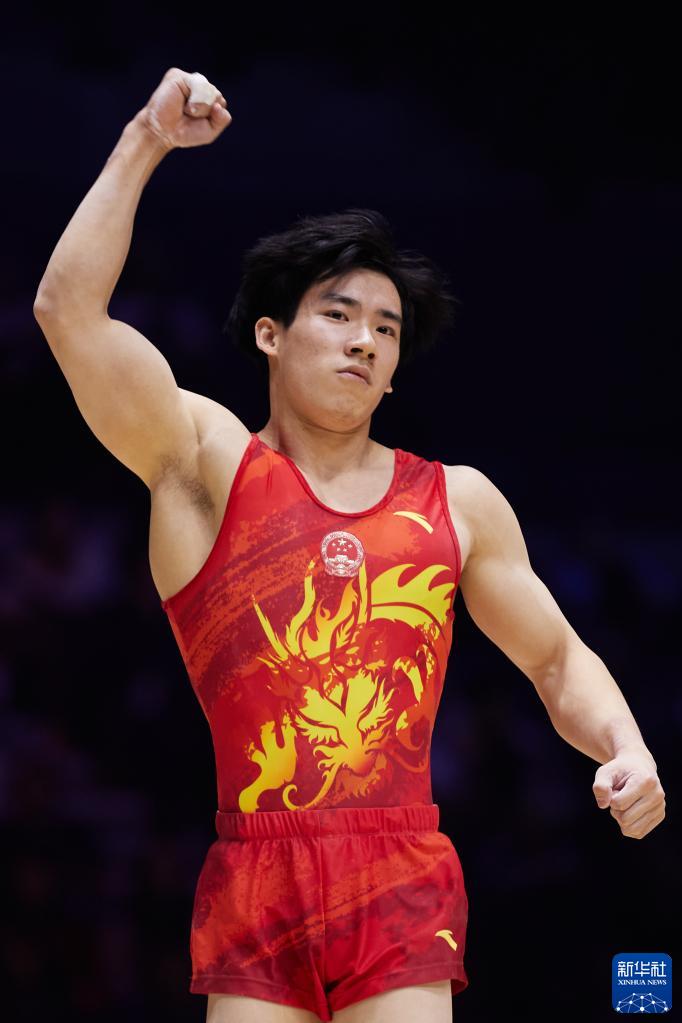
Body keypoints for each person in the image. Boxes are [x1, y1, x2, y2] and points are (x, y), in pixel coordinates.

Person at [33, 67, 666, 1023]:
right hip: (256, 868)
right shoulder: (203, 464)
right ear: (270, 335)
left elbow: (556, 658)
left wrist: (628, 744)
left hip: (397, 869)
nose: (364, 340)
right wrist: (146, 138)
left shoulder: (457, 502)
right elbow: (68, 313)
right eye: (337, 314)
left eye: (386, 329)